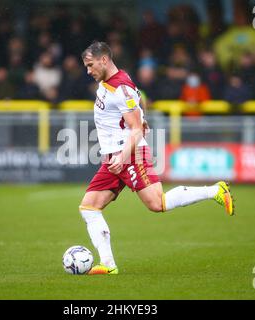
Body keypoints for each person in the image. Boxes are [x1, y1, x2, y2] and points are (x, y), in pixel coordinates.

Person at [79, 41, 235, 275]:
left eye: (90, 65)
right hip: (114, 158)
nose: (88, 71)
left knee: (157, 203)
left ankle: (215, 191)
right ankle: (108, 265)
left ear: (104, 60)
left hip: (128, 155)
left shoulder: (120, 88)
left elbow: (135, 128)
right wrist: (141, 118)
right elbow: (136, 106)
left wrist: (127, 148)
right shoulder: (112, 82)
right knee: (89, 207)